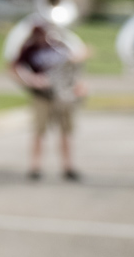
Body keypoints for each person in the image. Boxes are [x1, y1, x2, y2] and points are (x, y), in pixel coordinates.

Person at [10, 22, 87, 182]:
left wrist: (78, 83)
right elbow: (14, 68)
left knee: (66, 131)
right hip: (42, 95)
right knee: (39, 131)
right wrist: (31, 80)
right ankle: (35, 167)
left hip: (62, 95)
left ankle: (68, 167)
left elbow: (76, 66)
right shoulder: (29, 50)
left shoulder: (61, 46)